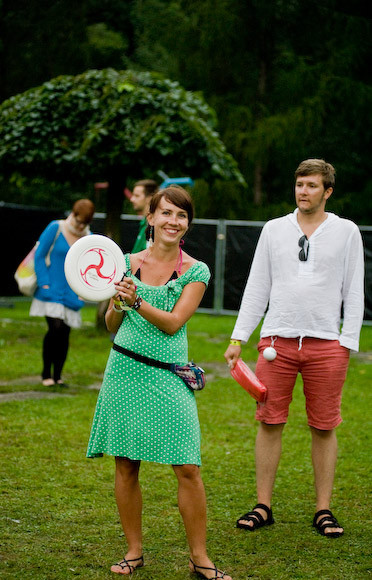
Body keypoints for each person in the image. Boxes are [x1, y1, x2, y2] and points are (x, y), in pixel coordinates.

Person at [87, 186, 232, 579]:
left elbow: (172, 324)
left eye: (181, 215)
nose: (173, 221)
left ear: (187, 224)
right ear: (150, 218)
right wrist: (118, 305)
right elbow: (111, 325)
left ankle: (199, 558)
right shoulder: (126, 262)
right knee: (126, 465)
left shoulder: (195, 271)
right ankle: (134, 552)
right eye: (165, 213)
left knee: (188, 468)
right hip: (124, 373)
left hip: (168, 377)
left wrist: (135, 302)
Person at [224, 159, 364, 538]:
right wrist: (238, 338)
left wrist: (346, 343)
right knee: (270, 422)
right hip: (276, 343)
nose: (304, 191)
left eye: (312, 185)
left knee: (323, 426)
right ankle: (263, 506)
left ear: (328, 191)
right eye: (300, 184)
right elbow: (257, 288)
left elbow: (354, 290)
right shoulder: (273, 230)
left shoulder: (347, 231)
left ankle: (324, 510)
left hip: (327, 345)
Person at [30, 199, 95, 386]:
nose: (80, 225)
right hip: (51, 290)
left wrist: (83, 291)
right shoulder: (56, 227)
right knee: (55, 329)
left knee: (65, 333)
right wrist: (44, 284)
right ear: (73, 214)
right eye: (78, 220)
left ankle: (58, 376)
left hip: (71, 294)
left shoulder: (87, 237)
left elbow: (86, 267)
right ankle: (46, 374)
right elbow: (40, 255)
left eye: (84, 223)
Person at [130, 179, 158, 253]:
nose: (132, 199)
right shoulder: (144, 223)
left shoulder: (154, 226)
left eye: (137, 196)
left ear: (149, 198)